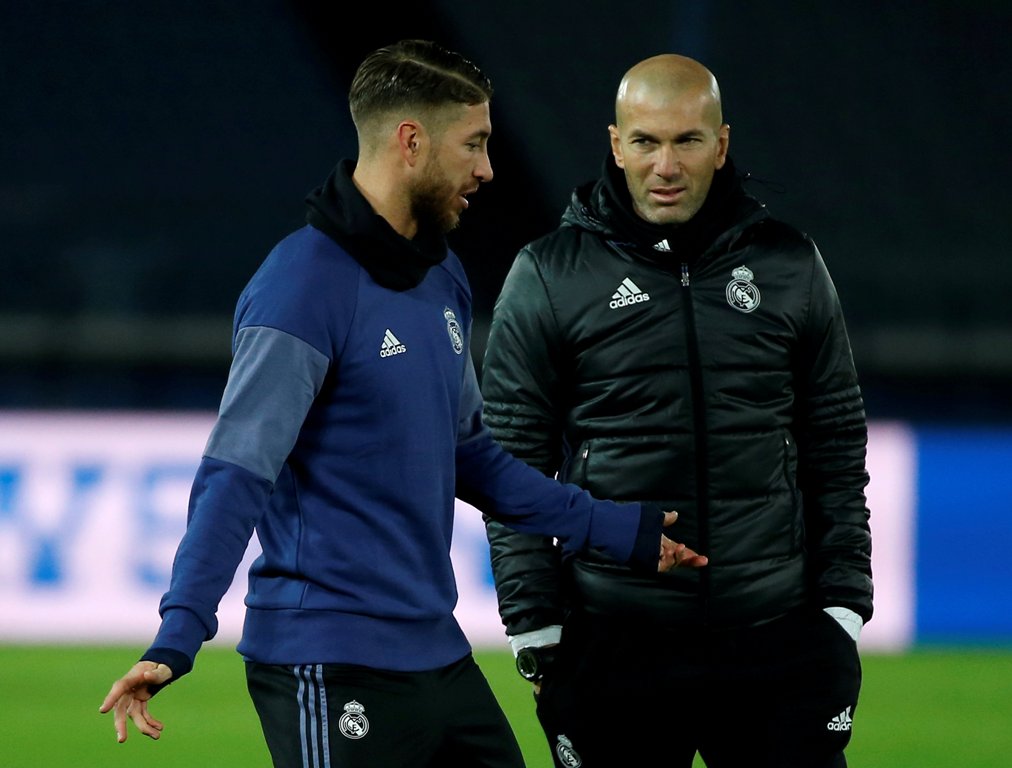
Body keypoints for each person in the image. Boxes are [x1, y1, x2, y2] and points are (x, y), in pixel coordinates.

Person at [98, 40, 705, 768]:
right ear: (411, 142)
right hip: (326, 658)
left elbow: (472, 456)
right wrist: (180, 633)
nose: (486, 168)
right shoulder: (302, 286)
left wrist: (614, 528)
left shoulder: (439, 274)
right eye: (473, 144)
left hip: (434, 652)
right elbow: (237, 473)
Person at [481, 52, 873, 768]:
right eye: (646, 141)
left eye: (687, 140)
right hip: (614, 640)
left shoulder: (789, 265)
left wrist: (843, 602)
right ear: (615, 144)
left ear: (721, 145)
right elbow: (511, 455)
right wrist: (534, 622)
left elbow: (837, 440)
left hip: (775, 638)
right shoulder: (548, 274)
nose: (666, 165)